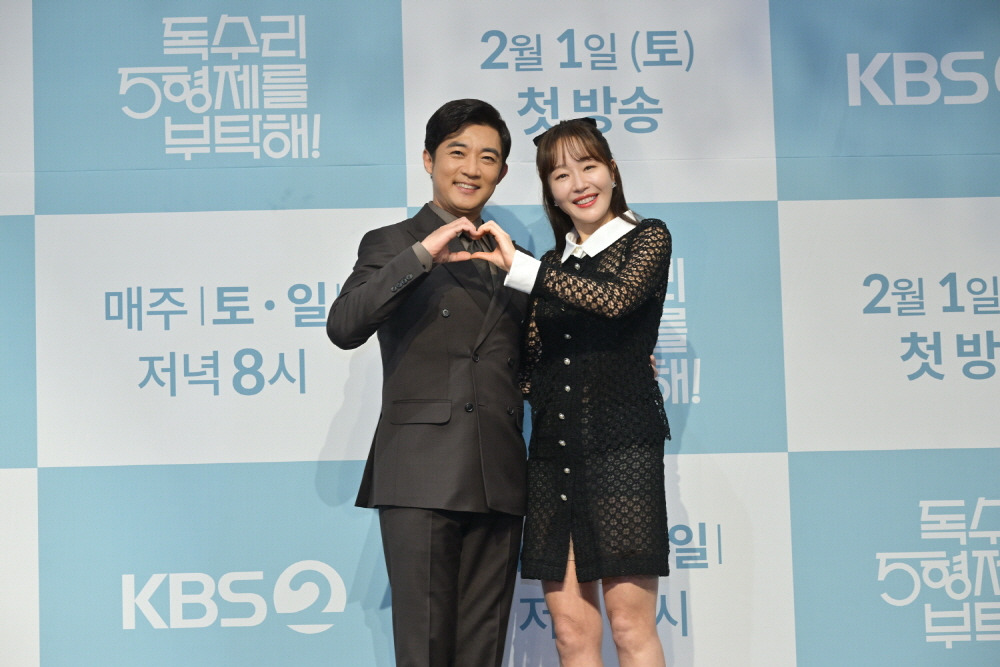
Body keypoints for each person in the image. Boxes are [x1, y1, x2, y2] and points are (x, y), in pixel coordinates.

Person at [326, 99, 529, 667]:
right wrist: (421, 255)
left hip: (498, 475)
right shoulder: (392, 243)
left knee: (484, 653)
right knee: (425, 650)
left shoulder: (515, 258)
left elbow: (533, 362)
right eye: (457, 152)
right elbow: (344, 326)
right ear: (428, 159)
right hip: (420, 473)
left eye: (487, 157)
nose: (472, 168)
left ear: (502, 172)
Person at [473, 117, 672, 667]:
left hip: (621, 448)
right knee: (569, 632)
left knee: (629, 626)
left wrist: (522, 269)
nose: (579, 183)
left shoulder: (647, 236)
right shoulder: (552, 265)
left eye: (589, 166)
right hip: (552, 455)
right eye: (561, 175)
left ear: (613, 171)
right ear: (550, 192)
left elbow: (616, 299)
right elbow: (532, 367)